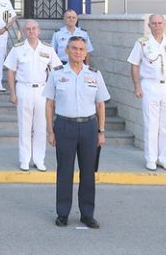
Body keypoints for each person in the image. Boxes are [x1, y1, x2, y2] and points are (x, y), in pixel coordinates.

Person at [44, 36, 109, 229]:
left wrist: (101, 131)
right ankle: (62, 213)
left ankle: (87, 214)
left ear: (86, 52)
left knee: (88, 172)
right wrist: (50, 131)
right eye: (74, 48)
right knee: (64, 171)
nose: (78, 52)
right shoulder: (56, 74)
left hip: (89, 127)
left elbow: (100, 104)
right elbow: (49, 103)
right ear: (67, 50)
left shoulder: (95, 75)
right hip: (64, 126)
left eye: (81, 49)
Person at [127, 14, 166, 172]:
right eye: (154, 23)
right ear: (149, 25)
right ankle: (151, 158)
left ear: (164, 24)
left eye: (160, 23)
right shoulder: (143, 43)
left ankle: (164, 158)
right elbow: (134, 64)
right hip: (149, 85)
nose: (157, 26)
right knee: (151, 125)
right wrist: (137, 86)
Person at [4, 20, 62, 171]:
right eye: (28, 29)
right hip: (23, 88)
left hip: (42, 90)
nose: (31, 31)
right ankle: (24, 159)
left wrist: (54, 93)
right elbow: (11, 70)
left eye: (34, 28)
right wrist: (12, 93)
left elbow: (57, 69)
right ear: (24, 32)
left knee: (41, 126)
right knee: (24, 126)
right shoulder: (18, 49)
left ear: (39, 30)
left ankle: (39, 159)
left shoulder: (47, 49)